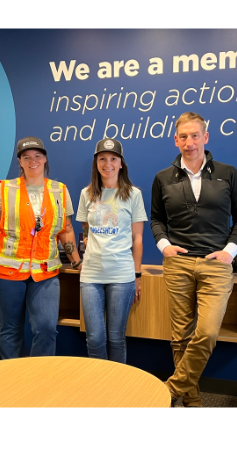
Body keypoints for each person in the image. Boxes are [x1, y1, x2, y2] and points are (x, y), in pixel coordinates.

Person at [150, 112, 237, 408]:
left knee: (206, 332)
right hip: (178, 264)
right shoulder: (162, 178)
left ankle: (170, 390)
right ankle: (191, 399)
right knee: (180, 336)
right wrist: (164, 245)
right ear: (175, 140)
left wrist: (229, 252)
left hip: (216, 264)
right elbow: (157, 218)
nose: (189, 142)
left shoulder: (227, 173)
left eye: (195, 135)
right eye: (183, 136)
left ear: (205, 137)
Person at [0, 136, 82, 359]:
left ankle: (40, 381)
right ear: (20, 162)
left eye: (37, 156)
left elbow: (66, 229)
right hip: (7, 272)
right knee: (11, 329)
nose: (32, 161)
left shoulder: (60, 191)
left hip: (45, 273)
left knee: (46, 328)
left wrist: (76, 261)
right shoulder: (3, 189)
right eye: (26, 157)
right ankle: (13, 382)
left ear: (45, 159)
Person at [76, 139, 148, 364]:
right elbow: (85, 231)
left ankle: (117, 388)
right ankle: (99, 386)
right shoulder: (86, 194)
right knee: (94, 337)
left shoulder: (133, 194)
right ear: (96, 163)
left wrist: (137, 276)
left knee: (116, 337)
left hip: (121, 275)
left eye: (113, 159)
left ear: (121, 164)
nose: (108, 164)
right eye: (102, 159)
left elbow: (138, 239)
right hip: (91, 275)